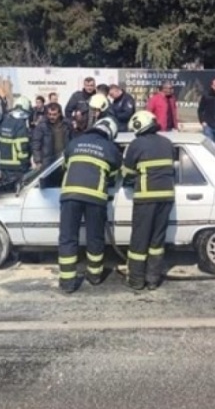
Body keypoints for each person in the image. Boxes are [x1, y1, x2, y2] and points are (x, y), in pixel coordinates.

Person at [56, 117, 121, 293]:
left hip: (70, 195)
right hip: (95, 197)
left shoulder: (75, 142)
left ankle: (67, 282)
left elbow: (65, 165)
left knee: (68, 238)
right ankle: (94, 276)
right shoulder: (111, 148)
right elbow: (113, 176)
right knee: (95, 237)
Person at [121, 110, 176, 291]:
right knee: (156, 241)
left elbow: (127, 173)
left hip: (146, 198)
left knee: (140, 240)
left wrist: (130, 178)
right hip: (166, 197)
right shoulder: (167, 143)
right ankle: (153, 279)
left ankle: (136, 280)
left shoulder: (136, 144)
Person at [0, 96, 34, 184]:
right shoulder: (20, 124)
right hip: (17, 166)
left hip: (3, 164)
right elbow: (21, 145)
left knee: (6, 189)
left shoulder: (5, 121)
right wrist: (25, 162)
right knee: (16, 189)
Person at [30, 102, 71, 173]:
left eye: (54, 114)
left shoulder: (67, 125)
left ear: (59, 114)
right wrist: (38, 161)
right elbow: (36, 144)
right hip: (47, 163)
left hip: (63, 161)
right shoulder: (42, 126)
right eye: (49, 114)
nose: (51, 117)